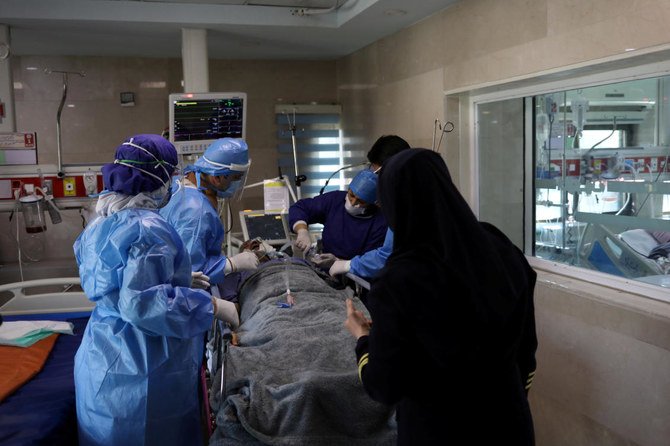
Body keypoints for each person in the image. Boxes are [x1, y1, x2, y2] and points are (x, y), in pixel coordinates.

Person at [344, 148, 538, 445]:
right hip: (508, 421)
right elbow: (527, 346)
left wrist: (363, 338)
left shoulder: (400, 280)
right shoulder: (498, 247)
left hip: (441, 429)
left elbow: (384, 386)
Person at [73, 134, 234, 446]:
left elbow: (120, 287)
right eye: (172, 173)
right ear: (159, 175)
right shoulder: (148, 228)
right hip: (142, 367)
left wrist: (179, 281)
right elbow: (142, 305)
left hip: (101, 355)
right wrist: (211, 307)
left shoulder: (102, 220)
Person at [160, 138, 259, 326]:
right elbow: (190, 273)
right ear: (217, 177)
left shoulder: (181, 182)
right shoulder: (196, 213)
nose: (237, 184)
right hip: (180, 308)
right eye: (235, 179)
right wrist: (231, 264)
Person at [327, 134, 410, 278]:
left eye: (378, 173)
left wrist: (349, 265)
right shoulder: (424, 189)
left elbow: (388, 256)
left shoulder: (407, 202)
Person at [289, 168, 387, 260]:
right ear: (349, 189)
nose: (352, 203)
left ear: (372, 203)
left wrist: (338, 262)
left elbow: (371, 261)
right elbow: (301, 208)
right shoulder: (335, 200)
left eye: (360, 202)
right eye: (351, 195)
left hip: (354, 274)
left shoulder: (380, 223)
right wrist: (302, 230)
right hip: (325, 269)